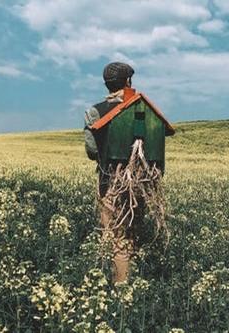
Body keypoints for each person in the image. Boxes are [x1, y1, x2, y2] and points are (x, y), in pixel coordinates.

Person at [83, 62, 143, 283]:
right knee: (131, 236)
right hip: (139, 184)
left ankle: (118, 288)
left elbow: (91, 150)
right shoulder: (138, 107)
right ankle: (130, 286)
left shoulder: (93, 112)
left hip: (108, 181)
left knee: (113, 236)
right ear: (127, 81)